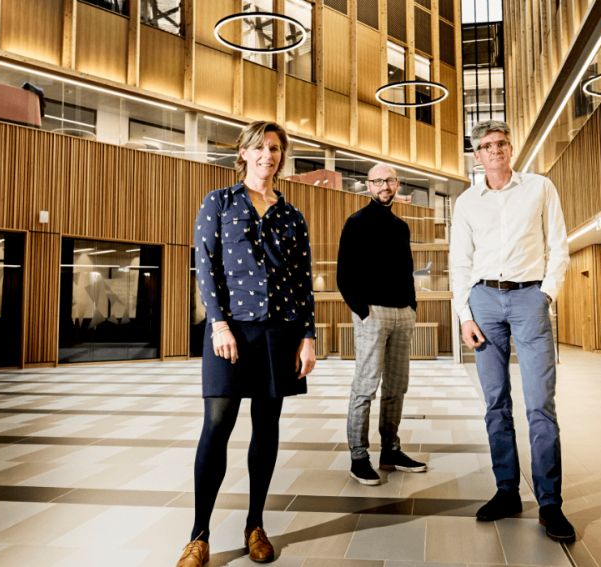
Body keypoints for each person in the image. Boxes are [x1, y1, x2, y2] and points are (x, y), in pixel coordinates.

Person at [176, 121, 317, 566]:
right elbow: (206, 266)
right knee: (216, 425)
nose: (267, 155)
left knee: (267, 426)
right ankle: (199, 535)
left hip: (280, 331)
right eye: (259, 148)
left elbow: (301, 281)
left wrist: (308, 336)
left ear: (281, 155)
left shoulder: (292, 215)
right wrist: (218, 326)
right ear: (243, 153)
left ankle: (255, 523)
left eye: (275, 148)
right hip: (230, 330)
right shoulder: (219, 202)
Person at [449, 119, 575, 542]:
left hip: (528, 298)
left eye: (501, 143)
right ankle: (506, 490)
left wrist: (546, 295)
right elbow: (459, 263)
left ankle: (550, 502)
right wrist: (465, 315)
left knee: (540, 403)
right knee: (495, 402)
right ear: (477, 155)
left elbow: (559, 244)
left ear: (511, 148)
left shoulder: (540, 187)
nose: (495, 150)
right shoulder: (467, 202)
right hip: (484, 301)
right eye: (486, 146)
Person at [337, 163, 427, 485]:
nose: (384, 186)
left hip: (402, 313)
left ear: (397, 183)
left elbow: (407, 270)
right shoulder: (356, 222)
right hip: (372, 313)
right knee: (365, 387)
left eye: (389, 180)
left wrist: (411, 307)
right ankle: (358, 456)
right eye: (378, 181)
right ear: (368, 185)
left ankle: (390, 449)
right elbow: (344, 274)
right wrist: (362, 310)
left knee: (396, 387)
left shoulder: (401, 227)